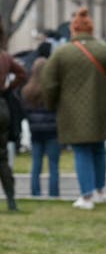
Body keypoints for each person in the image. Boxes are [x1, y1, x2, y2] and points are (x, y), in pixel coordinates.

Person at [41, 7, 106, 209]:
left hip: (72, 109)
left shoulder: (62, 52)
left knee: (81, 150)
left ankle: (86, 196)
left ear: (73, 29)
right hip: (101, 108)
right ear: (91, 29)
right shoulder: (105, 49)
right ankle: (100, 190)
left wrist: (52, 103)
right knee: (98, 149)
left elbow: (48, 82)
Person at [22, 57, 60, 197]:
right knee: (53, 165)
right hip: (52, 131)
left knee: (36, 164)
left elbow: (26, 112)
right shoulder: (52, 89)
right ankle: (54, 193)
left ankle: (35, 192)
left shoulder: (27, 90)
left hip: (35, 132)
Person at [0, 18, 27, 211]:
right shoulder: (5, 57)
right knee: (1, 158)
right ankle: (10, 199)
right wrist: (8, 87)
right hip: (1, 108)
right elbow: (22, 74)